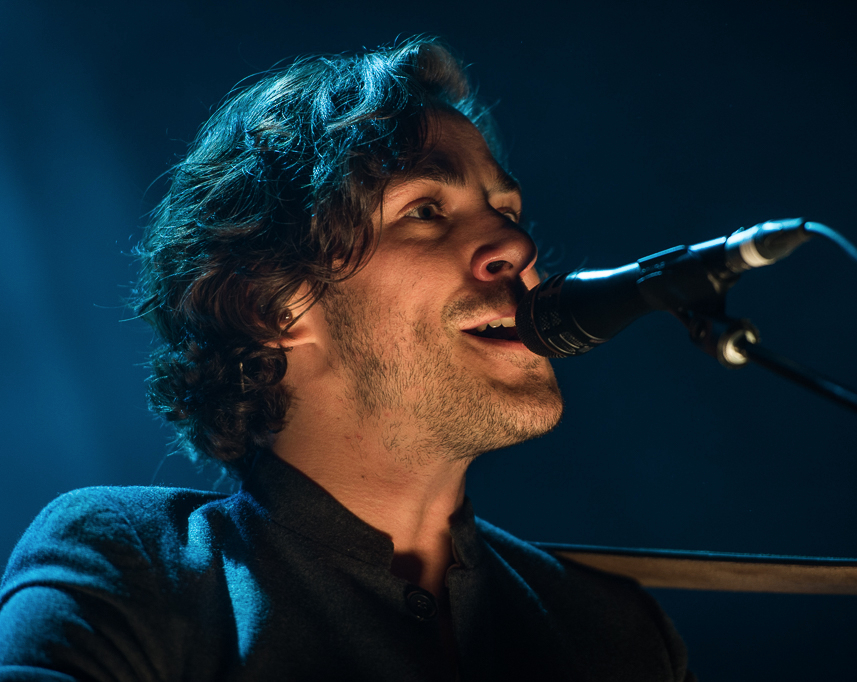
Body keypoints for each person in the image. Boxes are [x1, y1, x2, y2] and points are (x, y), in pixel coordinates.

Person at [0, 39, 692, 681]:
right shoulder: (131, 563)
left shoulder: (618, 635)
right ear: (274, 305)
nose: (517, 245)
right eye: (426, 210)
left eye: (506, 210)